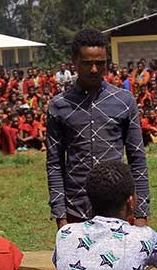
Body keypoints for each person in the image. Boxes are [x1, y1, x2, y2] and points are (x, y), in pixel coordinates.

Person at [46, 29, 150, 227]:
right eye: (87, 63)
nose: (94, 69)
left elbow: (137, 159)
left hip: (118, 210)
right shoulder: (58, 105)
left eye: (100, 63)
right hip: (76, 209)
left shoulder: (125, 101)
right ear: (74, 61)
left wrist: (141, 213)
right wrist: (60, 215)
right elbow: (54, 164)